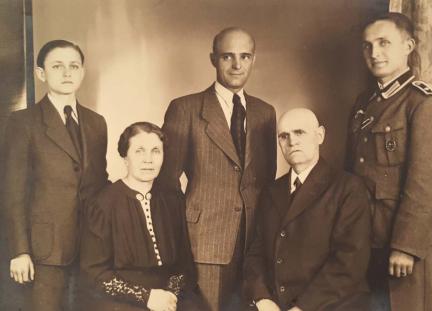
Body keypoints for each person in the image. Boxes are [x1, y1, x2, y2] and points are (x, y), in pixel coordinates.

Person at [160, 27, 277, 310]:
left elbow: (267, 178)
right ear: (213, 59)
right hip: (204, 242)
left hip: (254, 243)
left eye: (245, 56)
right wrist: (184, 234)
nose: (237, 65)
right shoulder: (185, 109)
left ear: (253, 60)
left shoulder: (265, 112)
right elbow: (166, 182)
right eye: (228, 56)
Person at [346, 12, 432, 311]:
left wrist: (406, 246)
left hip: (402, 249)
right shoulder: (363, 105)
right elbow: (350, 176)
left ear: (408, 46)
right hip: (364, 243)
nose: (374, 53)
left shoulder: (424, 105)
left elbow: (431, 186)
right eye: (367, 46)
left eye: (384, 43)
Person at [2, 39, 108, 311]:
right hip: (43, 251)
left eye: (74, 66)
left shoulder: (96, 122)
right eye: (57, 66)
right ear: (41, 73)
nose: (67, 73)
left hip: (90, 248)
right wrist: (20, 251)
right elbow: (13, 193)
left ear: (83, 72)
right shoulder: (23, 122)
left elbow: (99, 184)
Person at [244, 108, 371, 311]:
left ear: (319, 135)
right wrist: (262, 298)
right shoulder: (271, 191)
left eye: (299, 132)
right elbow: (255, 254)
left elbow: (349, 263)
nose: (292, 141)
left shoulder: (348, 188)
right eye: (284, 136)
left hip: (330, 305)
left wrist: (302, 308)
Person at [80, 122, 201, 311]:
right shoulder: (103, 204)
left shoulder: (173, 200)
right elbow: (94, 273)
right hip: (120, 300)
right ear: (125, 157)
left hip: (170, 296)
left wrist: (170, 294)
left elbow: (183, 264)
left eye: (155, 151)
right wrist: (146, 297)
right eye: (139, 151)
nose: (148, 160)